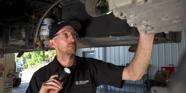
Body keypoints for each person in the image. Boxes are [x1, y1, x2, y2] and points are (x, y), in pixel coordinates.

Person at [26, 20, 155, 93]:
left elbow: (134, 74)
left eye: (74, 34)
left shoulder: (90, 67)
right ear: (52, 43)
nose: (72, 38)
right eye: (65, 34)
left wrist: (147, 33)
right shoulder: (40, 77)